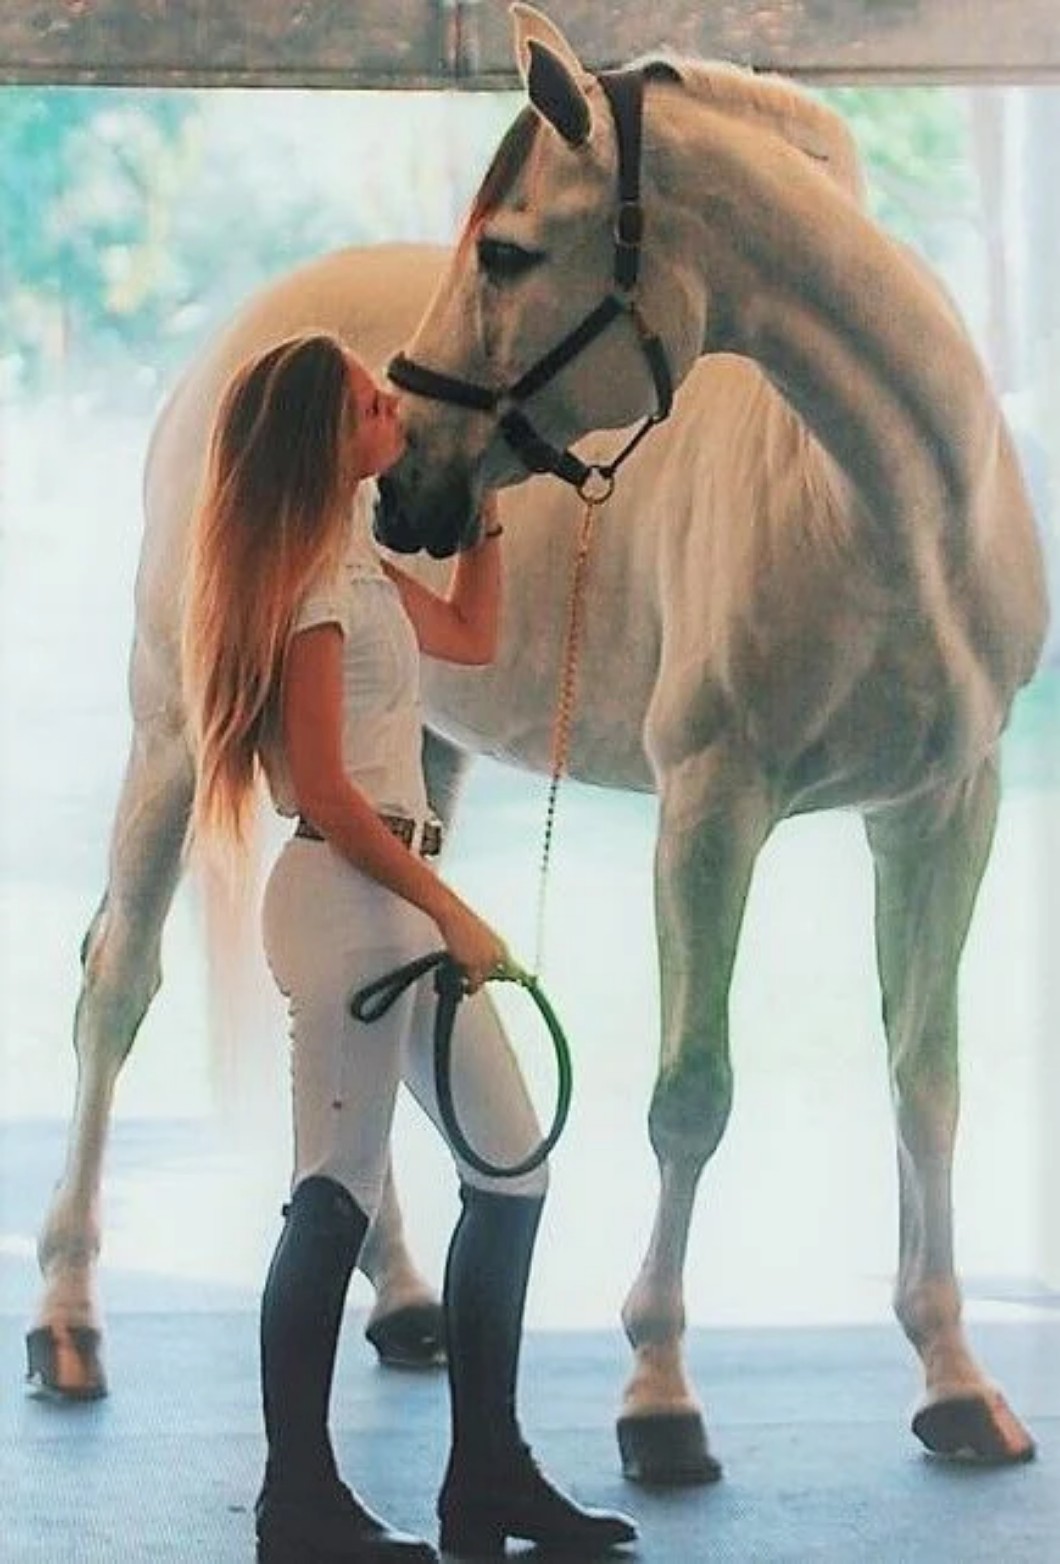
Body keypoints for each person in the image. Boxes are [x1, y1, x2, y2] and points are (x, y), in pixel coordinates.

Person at [181, 331, 638, 1564]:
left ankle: (486, 1473)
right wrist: (452, 911)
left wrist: (480, 498)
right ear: (326, 439)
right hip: (350, 896)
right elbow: (331, 793)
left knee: (510, 1167)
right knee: (334, 1193)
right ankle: (297, 1500)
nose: (392, 405)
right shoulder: (310, 587)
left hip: (393, 893)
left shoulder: (353, 564)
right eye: (369, 400)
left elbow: (476, 638)